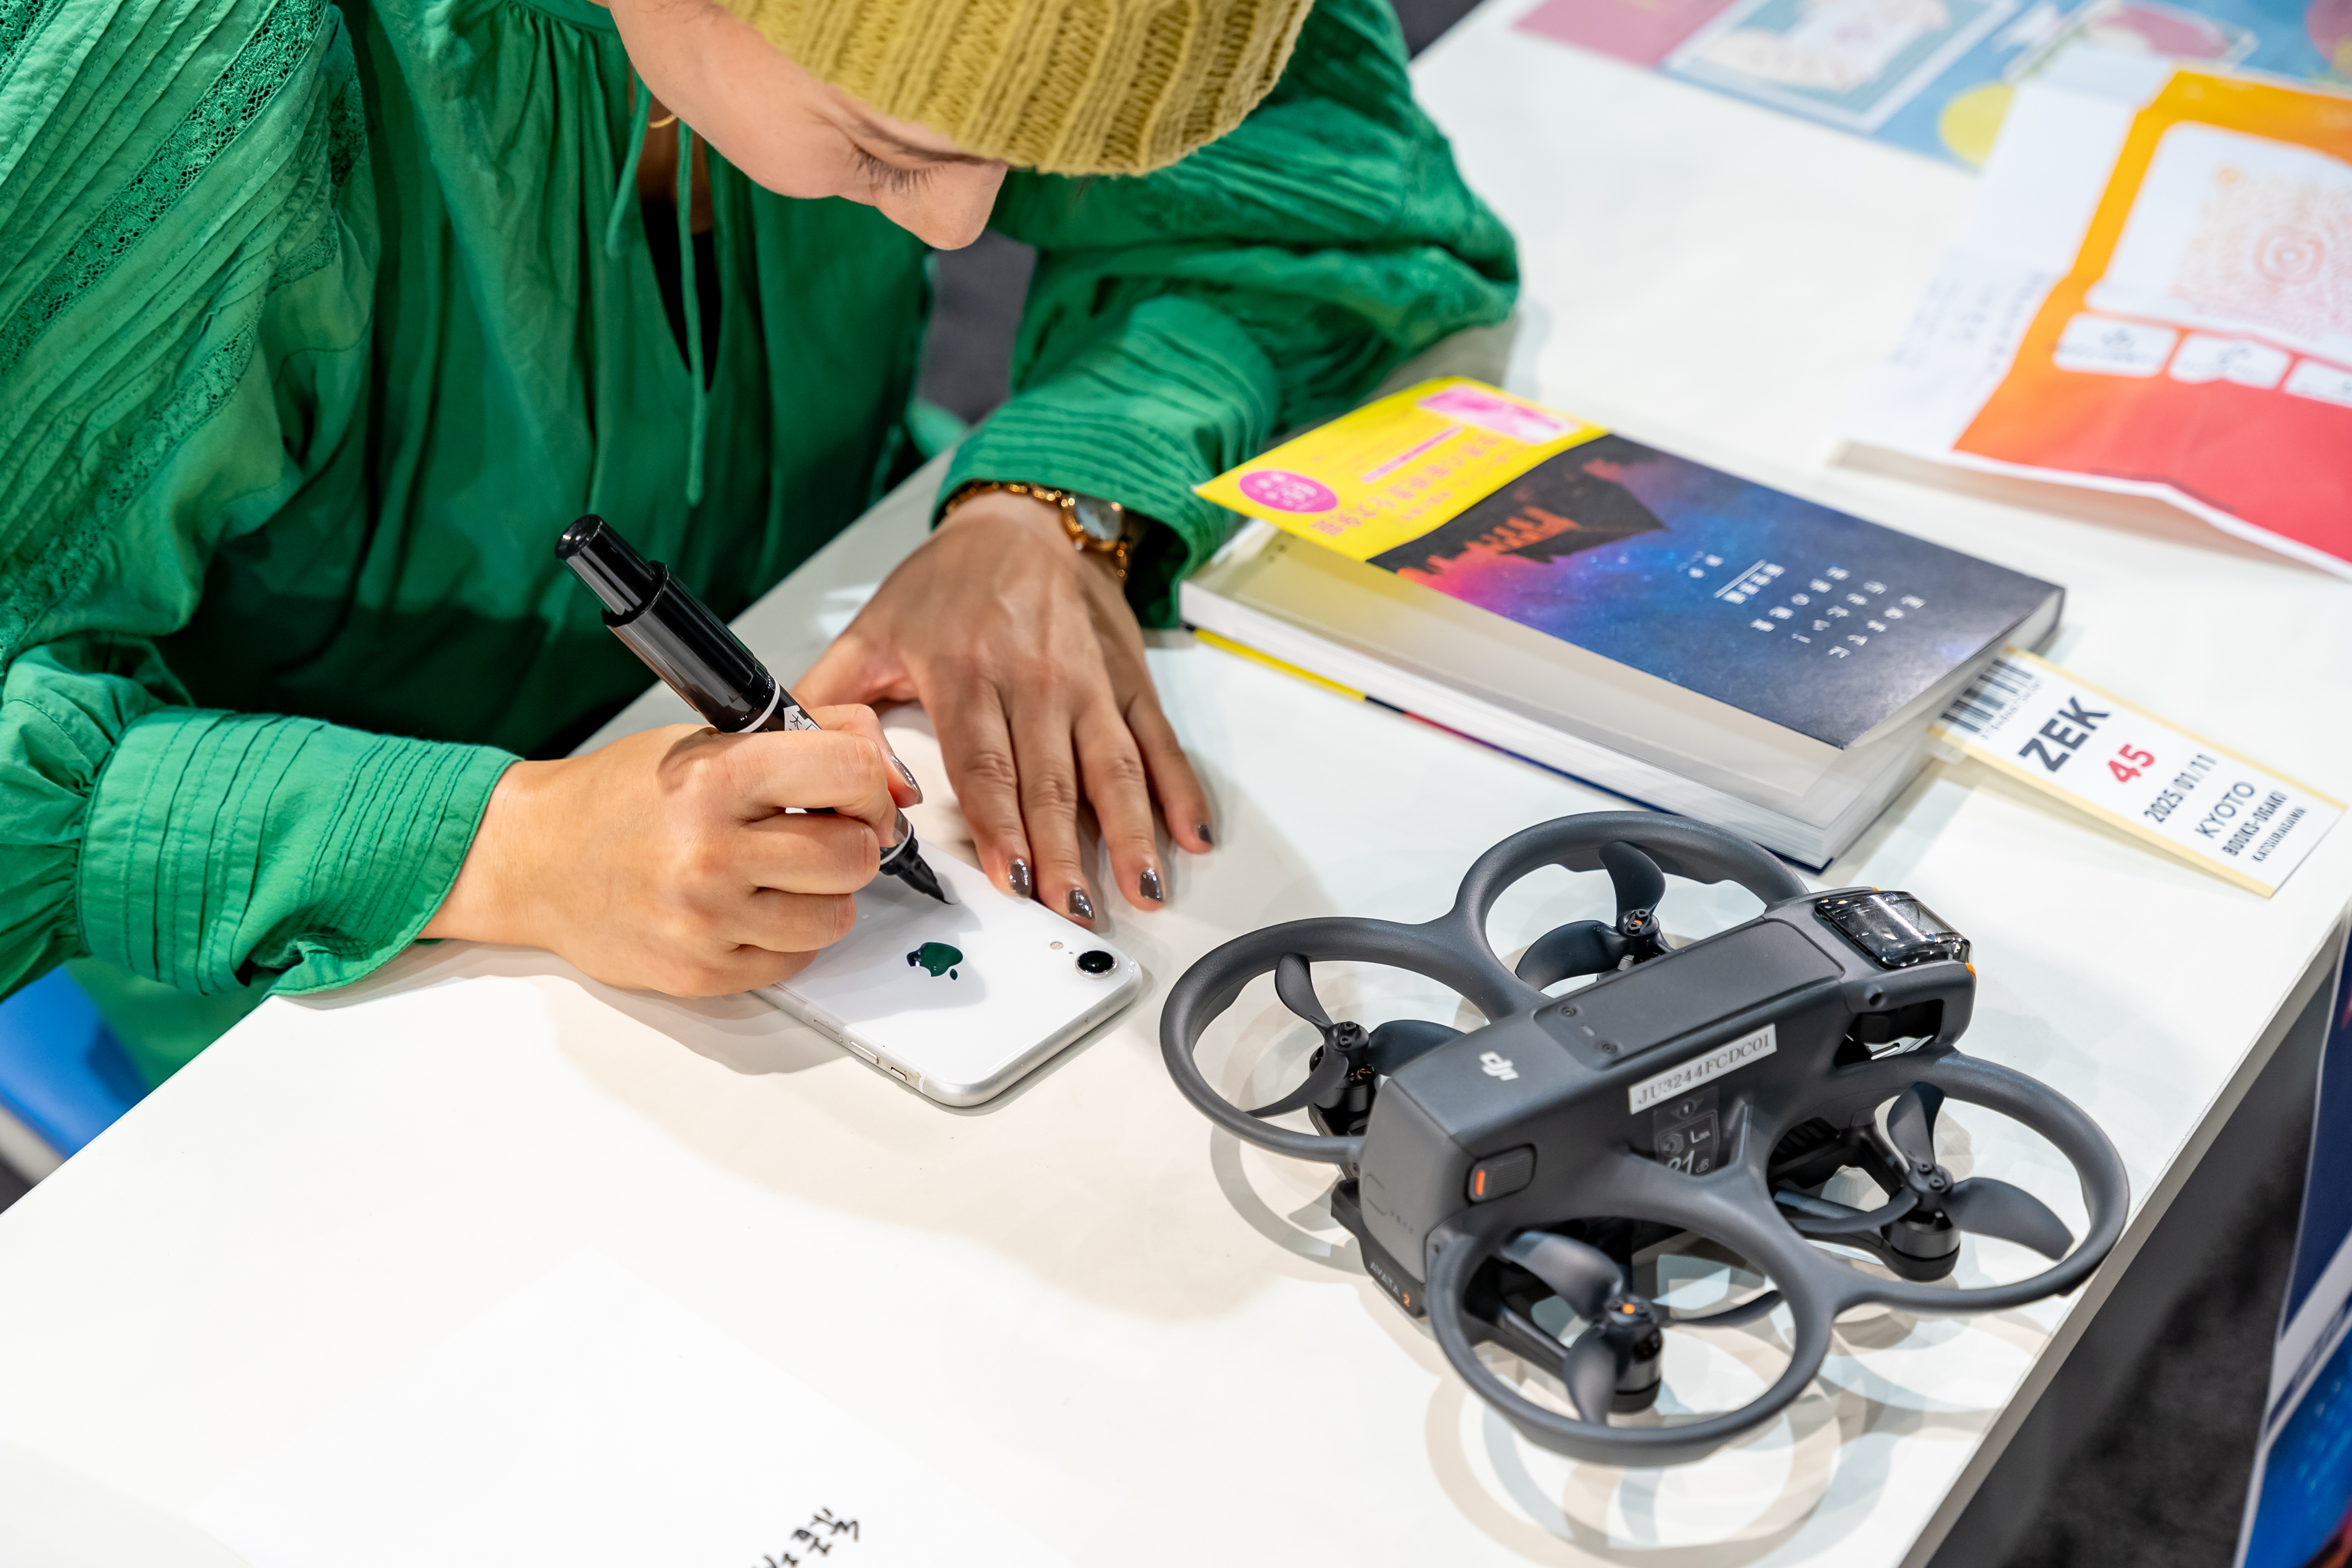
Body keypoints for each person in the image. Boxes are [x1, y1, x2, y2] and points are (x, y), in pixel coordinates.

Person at [0, 0, 1516, 1085]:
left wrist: (1046, 500)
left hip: (813, 639)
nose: (959, 229)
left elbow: (1325, 216)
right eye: (888, 147)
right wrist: (504, 846)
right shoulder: (190, 61)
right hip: (326, 988)